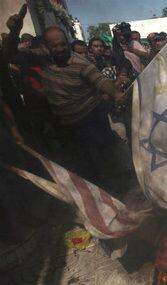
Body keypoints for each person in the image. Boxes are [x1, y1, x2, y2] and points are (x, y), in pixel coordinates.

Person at [5, 9, 131, 193]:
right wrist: (15, 31)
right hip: (66, 128)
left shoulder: (80, 63)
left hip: (92, 120)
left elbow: (101, 82)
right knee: (83, 171)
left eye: (63, 45)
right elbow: (10, 54)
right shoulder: (43, 58)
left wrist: (116, 94)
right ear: (47, 47)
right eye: (54, 46)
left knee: (105, 165)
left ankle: (120, 199)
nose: (59, 49)